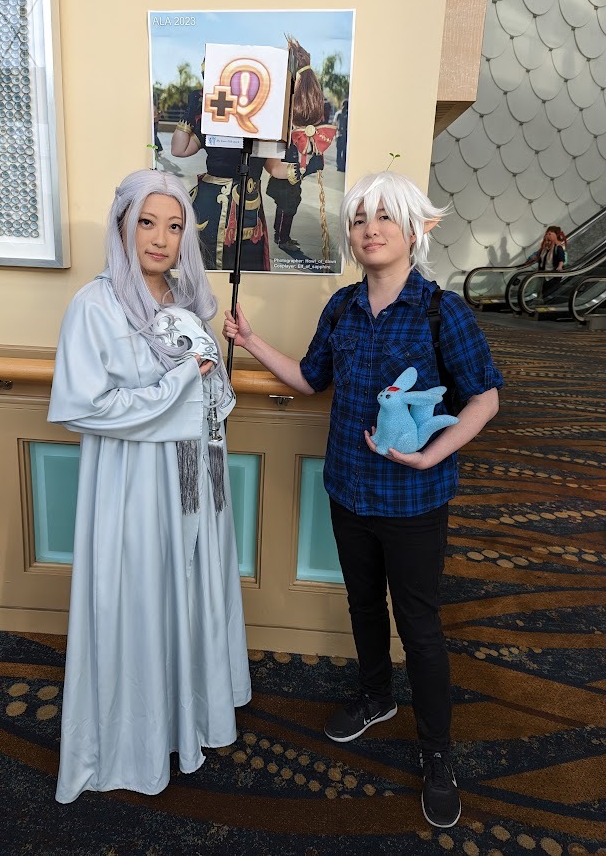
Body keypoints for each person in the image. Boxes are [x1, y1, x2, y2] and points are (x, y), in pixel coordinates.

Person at [223, 170, 503, 829]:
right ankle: (376, 695)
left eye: (383, 217)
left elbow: (485, 397)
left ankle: (438, 755)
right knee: (363, 603)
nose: (370, 229)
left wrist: (433, 454)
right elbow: (309, 379)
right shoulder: (343, 308)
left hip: (415, 501)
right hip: (349, 489)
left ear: (412, 230)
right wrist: (250, 340)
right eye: (358, 219)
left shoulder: (441, 310)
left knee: (421, 627)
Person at [49, 169, 251, 803]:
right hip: (133, 483)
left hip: (194, 475)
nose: (161, 239)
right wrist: (181, 383)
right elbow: (87, 405)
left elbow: (211, 398)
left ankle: (188, 716)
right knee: (139, 595)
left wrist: (208, 382)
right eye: (147, 222)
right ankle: (134, 738)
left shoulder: (187, 305)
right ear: (122, 226)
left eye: (175, 226)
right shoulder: (95, 305)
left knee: (188, 585)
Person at [171, 89, 289, 272]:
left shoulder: (264, 124)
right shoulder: (216, 119)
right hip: (210, 206)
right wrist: (189, 112)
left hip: (247, 209)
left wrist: (302, 167)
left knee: (245, 266)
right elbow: (179, 149)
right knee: (206, 265)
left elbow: (275, 168)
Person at [265, 36, 336, 260]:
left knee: (290, 200)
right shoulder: (284, 99)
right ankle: (281, 237)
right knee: (288, 201)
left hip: (294, 156)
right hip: (286, 159)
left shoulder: (298, 98)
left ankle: (281, 234)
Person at [335, 99, 349, 173]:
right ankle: (340, 165)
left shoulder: (344, 114)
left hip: (342, 135)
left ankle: (341, 165)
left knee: (342, 151)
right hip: (342, 135)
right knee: (341, 151)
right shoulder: (340, 114)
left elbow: (335, 124)